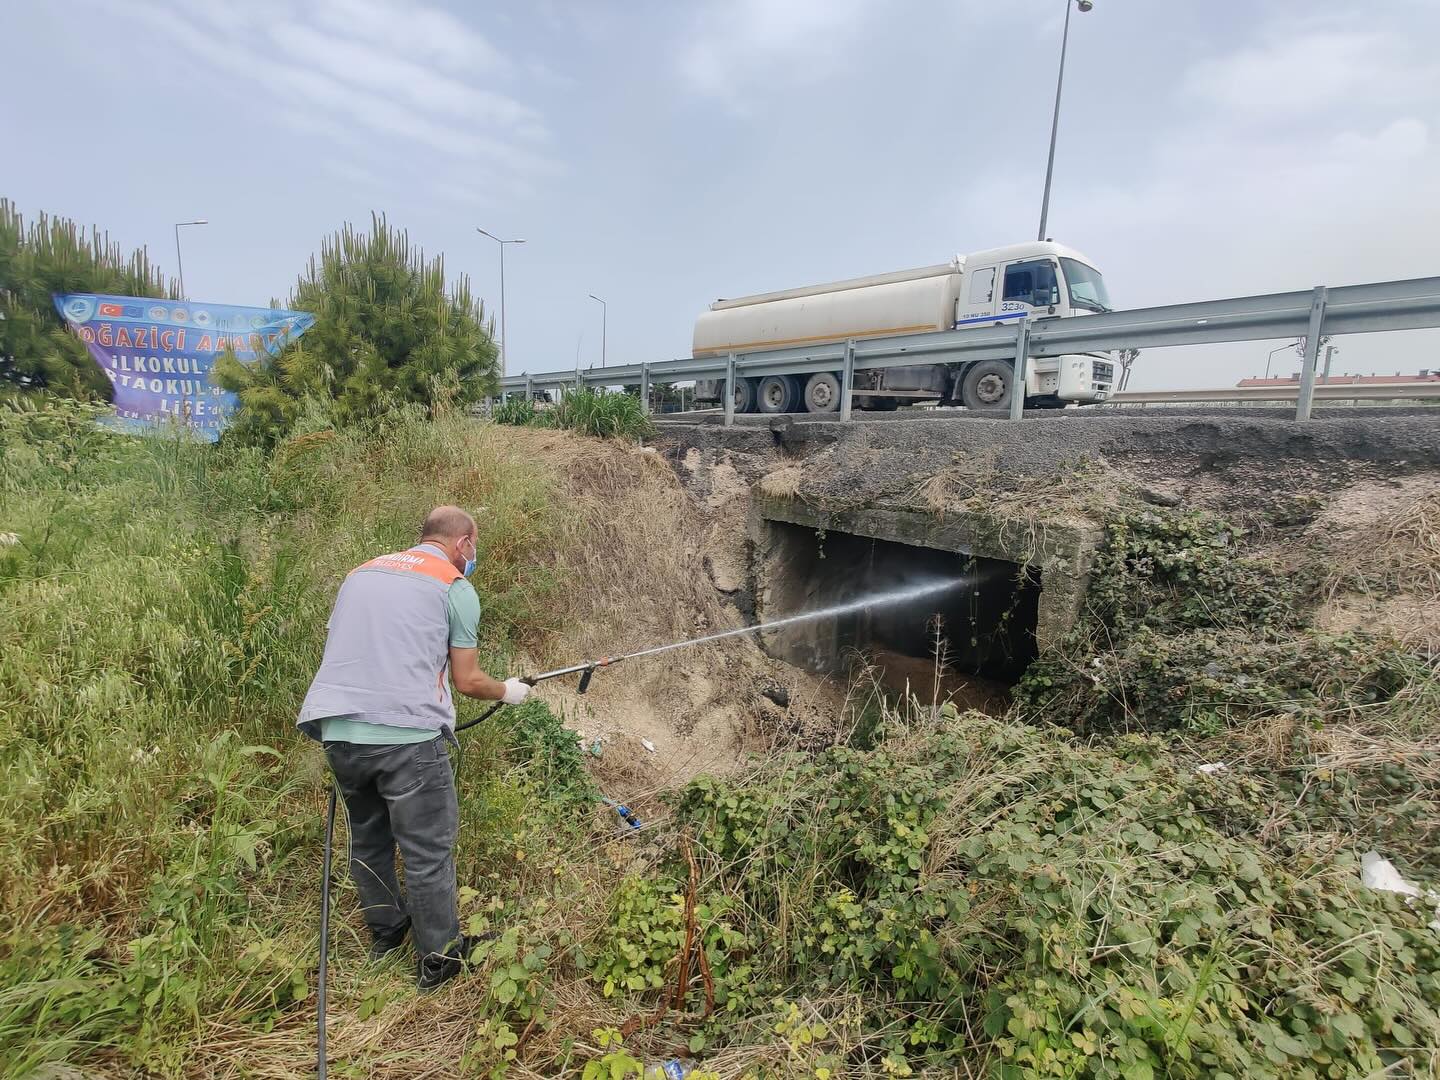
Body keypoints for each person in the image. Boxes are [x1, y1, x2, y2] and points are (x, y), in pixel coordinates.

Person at [298, 505, 531, 990]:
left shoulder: (361, 573)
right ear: (463, 543)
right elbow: (467, 680)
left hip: (339, 732)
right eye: (475, 546)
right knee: (426, 852)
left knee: (368, 839)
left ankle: (387, 932)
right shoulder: (454, 587)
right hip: (407, 742)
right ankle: (439, 961)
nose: (474, 555)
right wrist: (509, 691)